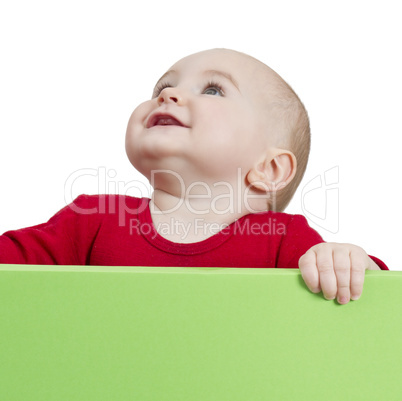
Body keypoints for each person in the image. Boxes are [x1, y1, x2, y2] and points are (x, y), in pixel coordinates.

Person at [0, 48, 388, 305]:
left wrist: (348, 262)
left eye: (214, 90)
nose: (168, 95)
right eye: (164, 86)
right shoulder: (89, 220)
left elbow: (372, 301)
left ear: (269, 169)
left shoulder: (286, 244)